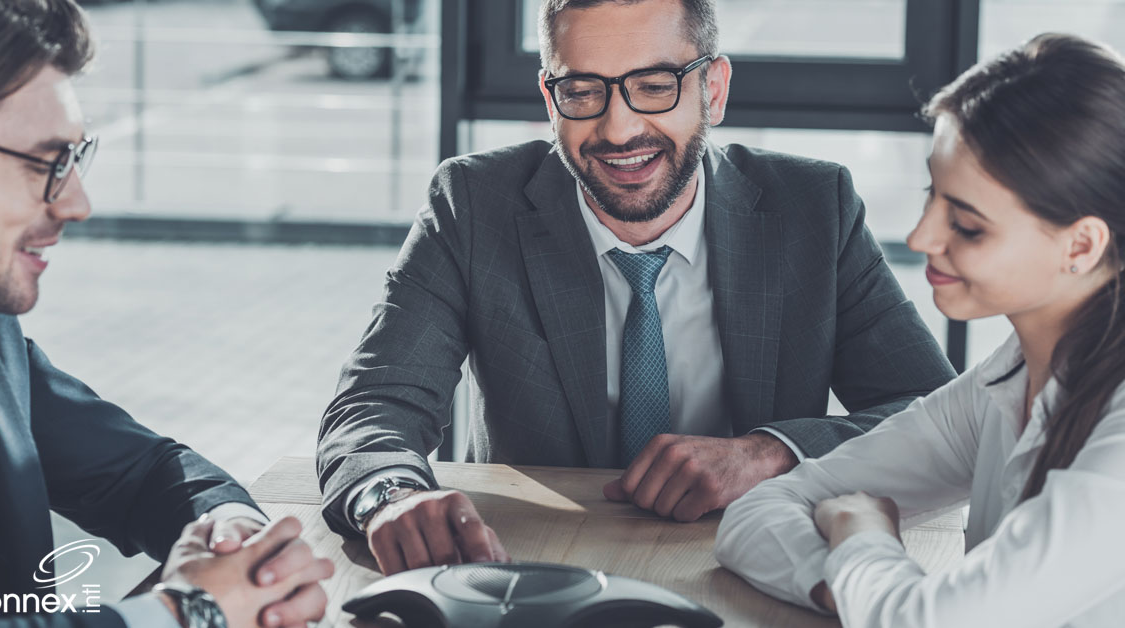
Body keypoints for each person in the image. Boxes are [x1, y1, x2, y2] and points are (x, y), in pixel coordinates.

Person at [318, 0, 955, 575]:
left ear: (713, 88)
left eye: (654, 86)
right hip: (530, 570)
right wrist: (391, 496)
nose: (619, 130)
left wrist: (770, 454)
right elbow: (374, 405)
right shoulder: (473, 205)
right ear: (550, 98)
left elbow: (934, 414)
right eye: (583, 90)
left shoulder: (816, 208)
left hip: (753, 566)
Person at [0, 1, 333, 626]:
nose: (78, 203)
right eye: (43, 162)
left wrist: (235, 539)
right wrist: (184, 612)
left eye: (74, 159)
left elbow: (139, 472)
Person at [715, 32, 1125, 627]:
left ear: (1081, 245)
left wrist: (860, 534)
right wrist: (853, 588)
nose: (920, 238)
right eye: (935, 194)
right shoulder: (1007, 377)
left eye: (966, 223)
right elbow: (758, 511)